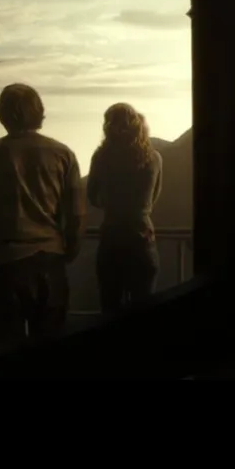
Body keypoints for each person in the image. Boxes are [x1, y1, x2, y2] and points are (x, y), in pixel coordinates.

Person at [0, 83, 85, 346]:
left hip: (5, 266)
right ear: (38, 112)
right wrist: (67, 252)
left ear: (2, 115)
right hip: (50, 264)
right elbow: (76, 216)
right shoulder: (64, 155)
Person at [88, 103, 162, 314]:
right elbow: (153, 198)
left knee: (110, 309)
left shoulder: (101, 157)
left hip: (111, 239)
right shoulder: (154, 158)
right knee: (143, 310)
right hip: (142, 238)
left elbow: (92, 196)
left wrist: (111, 205)